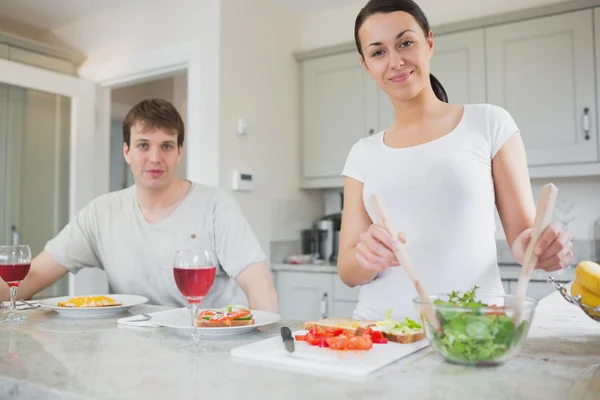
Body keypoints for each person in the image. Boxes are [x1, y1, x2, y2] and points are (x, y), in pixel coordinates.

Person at [338, 0, 573, 321]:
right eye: (378, 52)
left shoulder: (490, 123)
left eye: (406, 43)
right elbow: (347, 271)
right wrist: (367, 256)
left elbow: (523, 240)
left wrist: (542, 248)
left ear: (429, 43)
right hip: (379, 330)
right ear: (366, 65)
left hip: (472, 327)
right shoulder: (362, 153)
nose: (395, 61)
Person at [0, 99, 278, 312]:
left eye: (166, 146)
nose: (155, 158)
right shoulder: (101, 213)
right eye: (143, 145)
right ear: (126, 152)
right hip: (137, 351)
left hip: (212, 345)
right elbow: (32, 275)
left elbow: (258, 285)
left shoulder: (216, 205)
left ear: (179, 151)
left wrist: (262, 348)